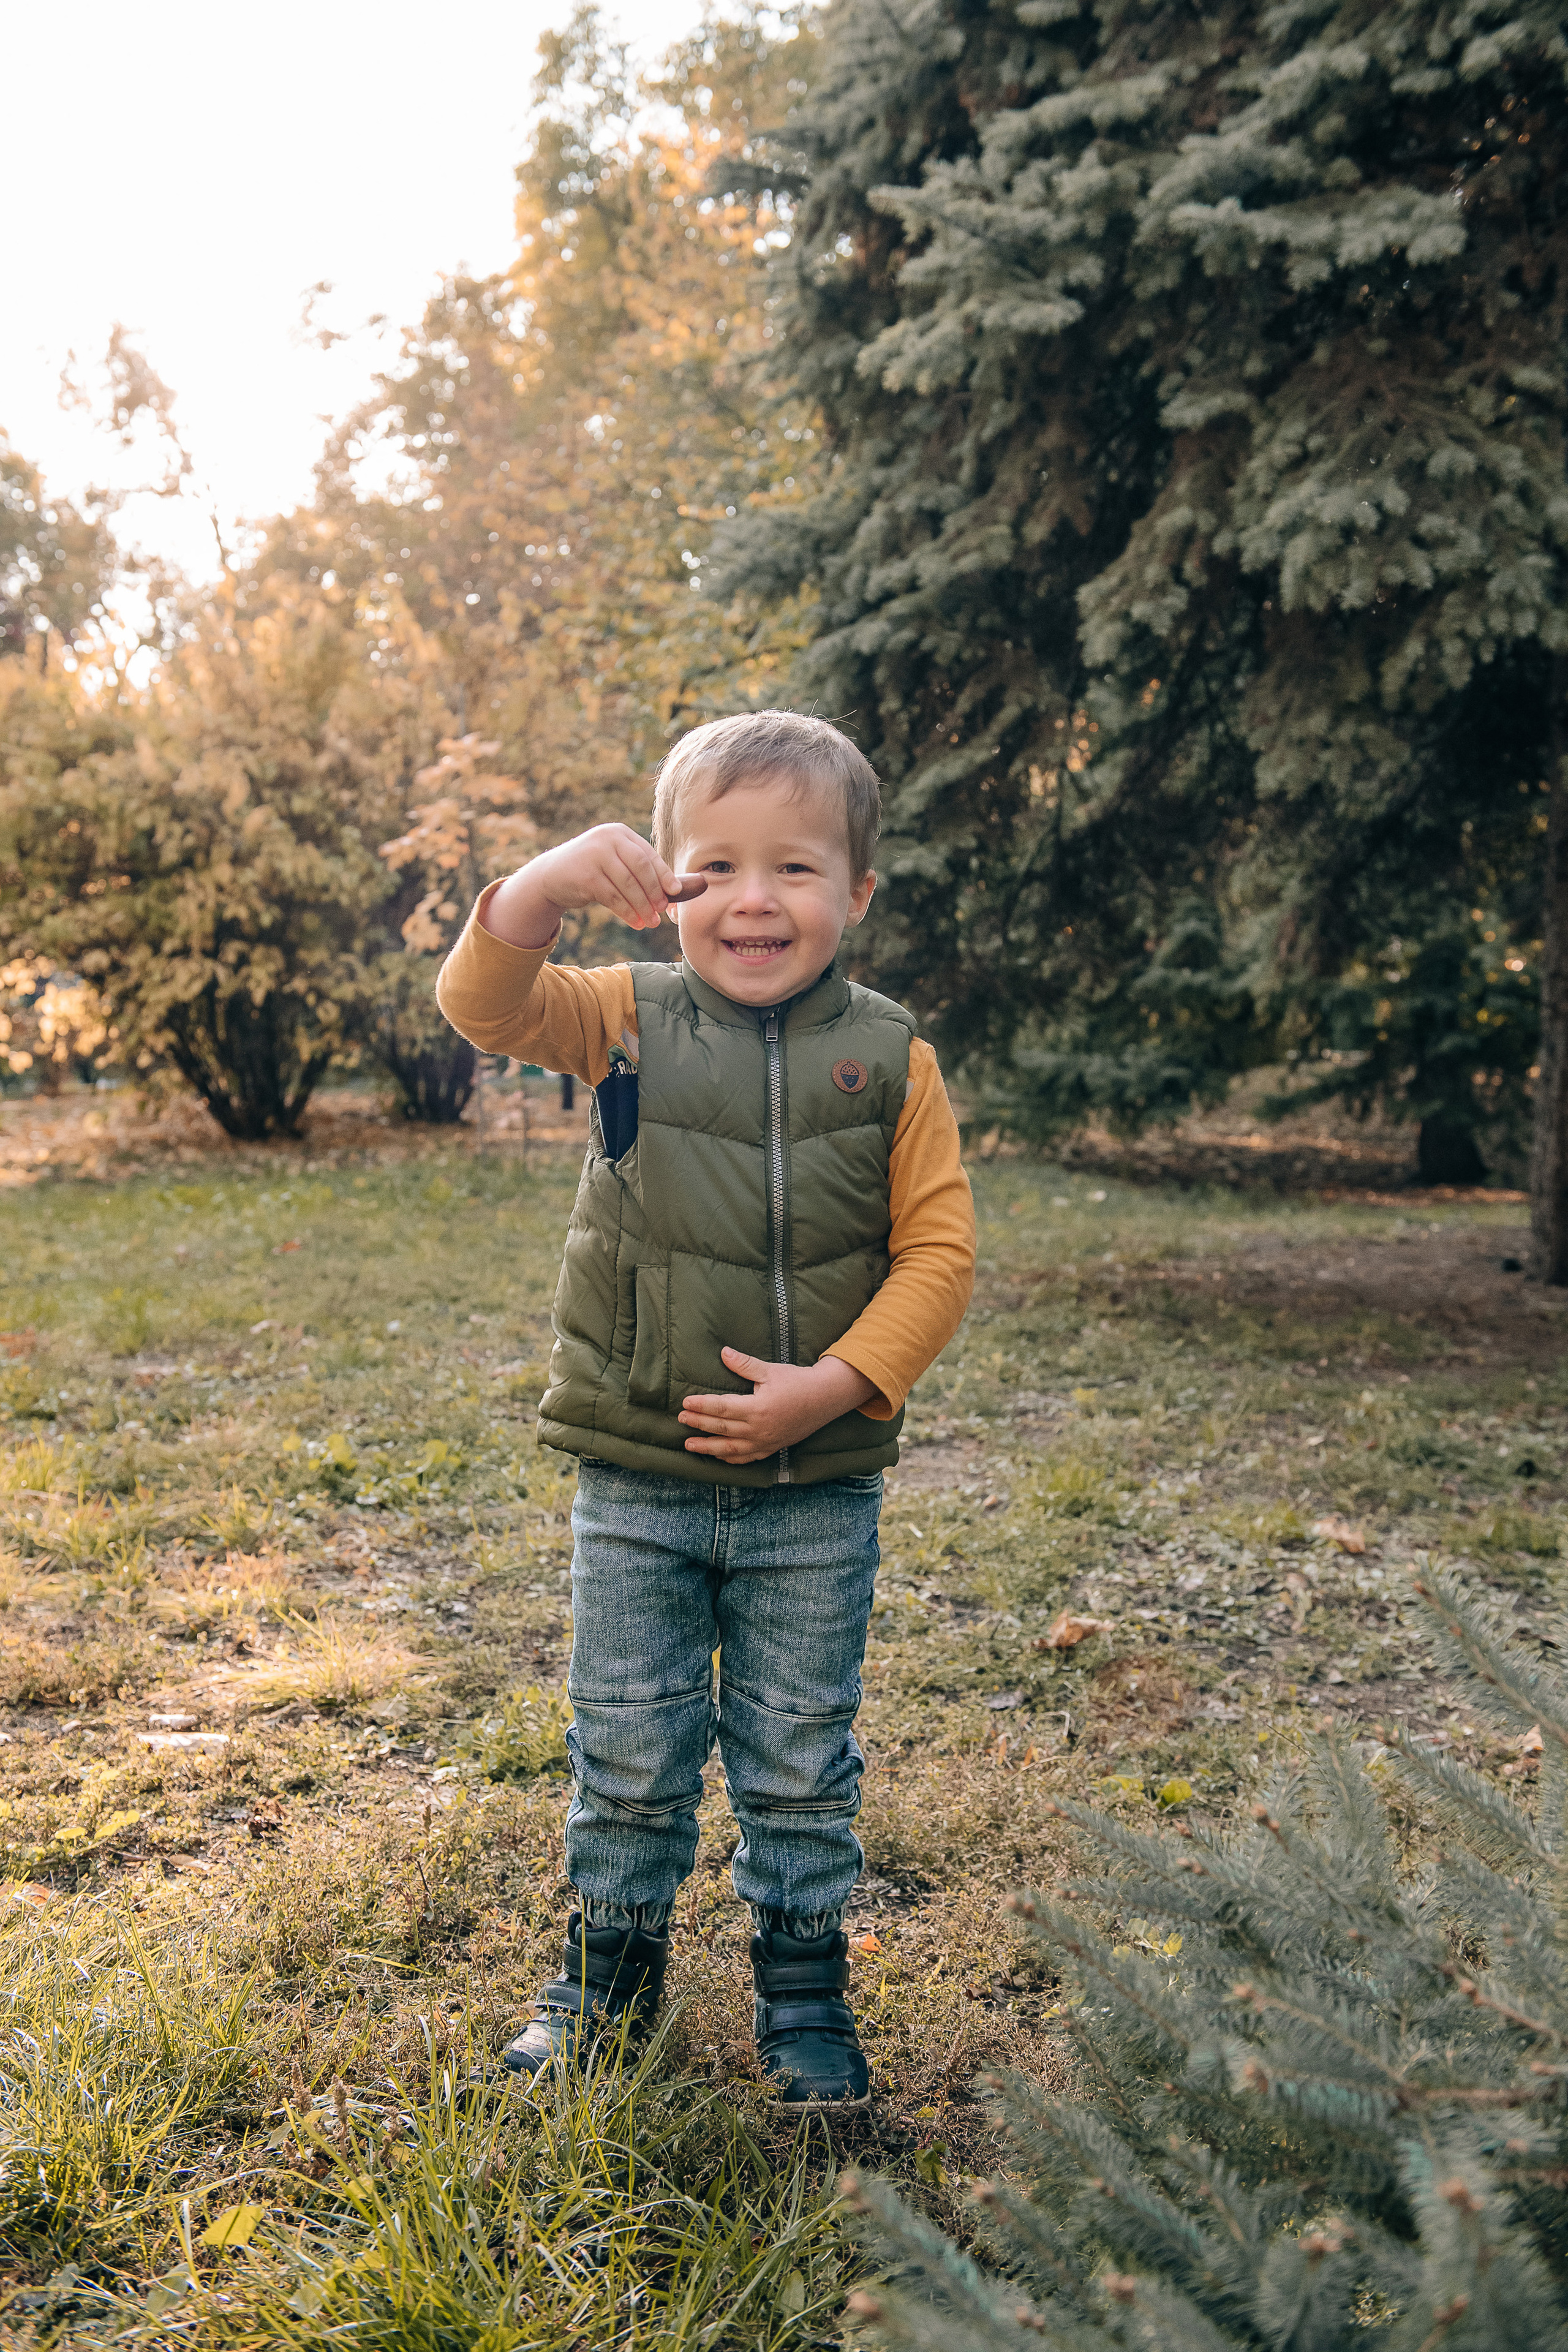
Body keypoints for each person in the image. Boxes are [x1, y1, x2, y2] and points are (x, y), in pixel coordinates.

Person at [435, 710, 974, 2108]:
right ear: (664, 881)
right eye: (716, 866)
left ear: (858, 892)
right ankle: (604, 1981)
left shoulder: (892, 1060)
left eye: (795, 868)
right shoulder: (622, 1017)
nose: (753, 899)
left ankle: (803, 1990)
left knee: (798, 1754)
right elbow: (484, 1006)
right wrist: (541, 886)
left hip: (815, 1493)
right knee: (627, 1743)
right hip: (641, 1470)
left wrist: (834, 1388)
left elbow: (937, 1256)